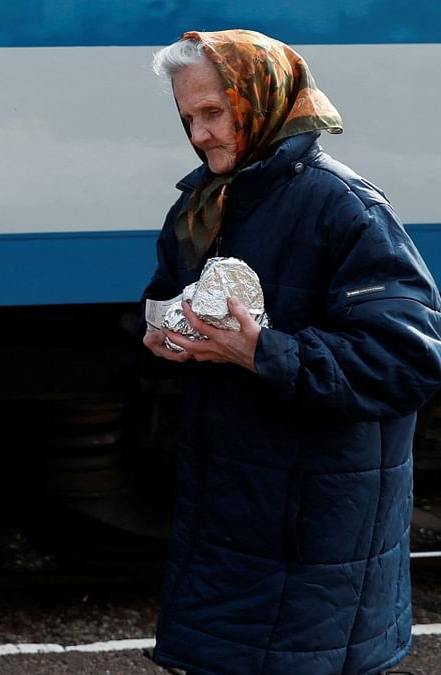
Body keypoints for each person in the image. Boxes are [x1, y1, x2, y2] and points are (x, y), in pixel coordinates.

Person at [140, 29, 441, 675]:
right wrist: (162, 332)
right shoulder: (206, 201)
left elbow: (406, 359)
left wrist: (263, 353)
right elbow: (168, 293)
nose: (198, 134)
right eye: (188, 116)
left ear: (262, 99)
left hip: (314, 531)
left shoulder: (344, 206)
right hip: (234, 511)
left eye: (213, 113)